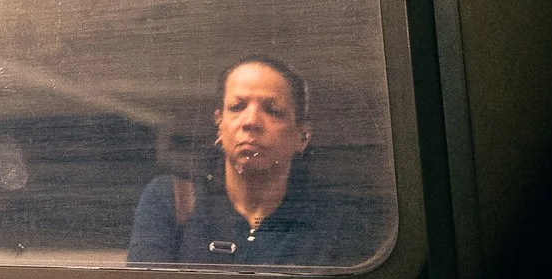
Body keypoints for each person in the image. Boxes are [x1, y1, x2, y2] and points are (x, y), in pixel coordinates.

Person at [127, 57, 374, 267]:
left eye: (273, 110)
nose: (251, 121)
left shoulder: (337, 226)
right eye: (237, 107)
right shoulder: (171, 200)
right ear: (220, 125)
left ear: (302, 136)